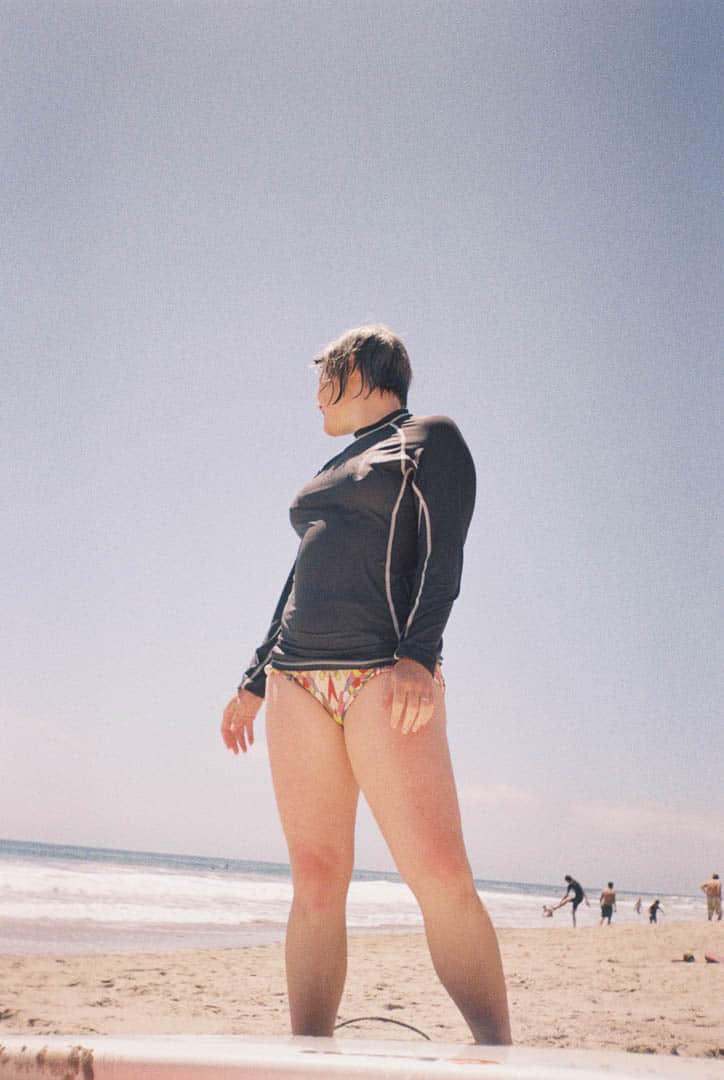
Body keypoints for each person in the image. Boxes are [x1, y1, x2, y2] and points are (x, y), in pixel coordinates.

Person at [220, 325, 511, 1045]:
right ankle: (308, 1051)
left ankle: (501, 1050)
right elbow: (299, 579)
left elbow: (446, 555)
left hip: (385, 673)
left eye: (322, 373)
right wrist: (254, 678)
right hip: (296, 681)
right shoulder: (335, 464)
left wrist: (420, 654)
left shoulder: (429, 439)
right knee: (316, 881)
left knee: (439, 873)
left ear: (355, 369)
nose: (314, 390)